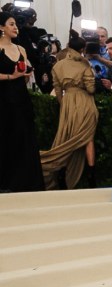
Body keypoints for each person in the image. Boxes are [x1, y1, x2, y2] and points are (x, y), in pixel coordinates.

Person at [39, 36, 98, 189]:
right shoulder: (85, 64)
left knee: (66, 137)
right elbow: (91, 89)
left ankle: (61, 173)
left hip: (68, 103)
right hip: (85, 102)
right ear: (82, 49)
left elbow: (57, 89)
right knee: (88, 139)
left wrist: (64, 104)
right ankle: (92, 177)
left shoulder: (58, 66)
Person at [0, 12, 44, 192]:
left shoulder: (21, 50)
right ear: (1, 27)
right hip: (2, 99)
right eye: (11, 24)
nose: (15, 27)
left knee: (24, 138)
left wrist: (25, 75)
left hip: (20, 98)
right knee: (4, 137)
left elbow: (25, 78)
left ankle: (26, 182)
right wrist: (12, 76)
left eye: (16, 24)